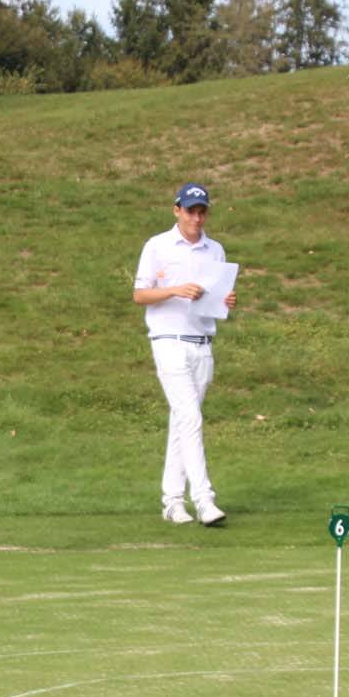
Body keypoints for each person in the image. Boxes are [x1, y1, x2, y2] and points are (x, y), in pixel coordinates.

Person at [134, 181, 238, 526]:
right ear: (177, 210)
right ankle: (204, 500)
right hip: (168, 340)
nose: (197, 218)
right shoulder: (157, 246)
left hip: (202, 342)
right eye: (191, 211)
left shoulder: (215, 250)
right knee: (190, 418)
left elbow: (216, 299)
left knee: (182, 421)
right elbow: (140, 295)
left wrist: (225, 301)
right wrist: (175, 290)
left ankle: (172, 501)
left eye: (202, 211)